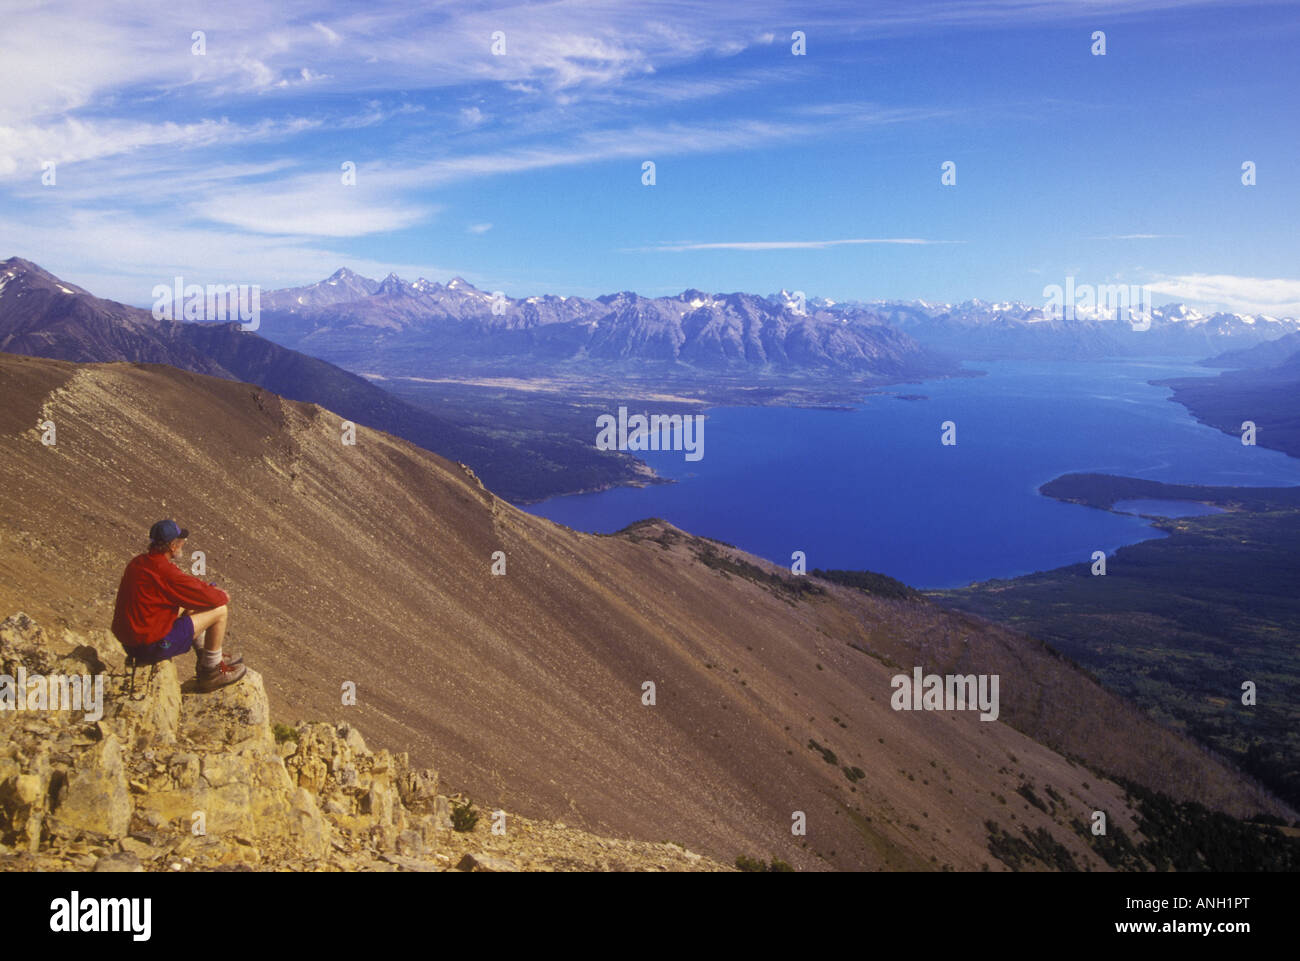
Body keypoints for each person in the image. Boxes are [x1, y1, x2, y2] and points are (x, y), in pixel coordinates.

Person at [111, 520, 246, 692]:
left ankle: (208, 657)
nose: (183, 544)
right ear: (173, 546)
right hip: (149, 646)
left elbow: (186, 589)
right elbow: (211, 598)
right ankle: (211, 672)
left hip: (130, 642)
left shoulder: (138, 563)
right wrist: (221, 595)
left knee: (187, 606)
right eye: (181, 541)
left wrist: (204, 592)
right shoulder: (164, 571)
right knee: (220, 611)